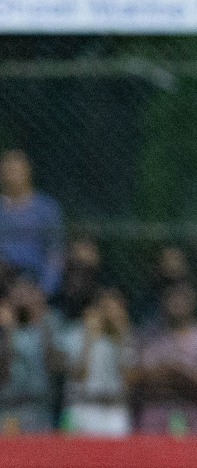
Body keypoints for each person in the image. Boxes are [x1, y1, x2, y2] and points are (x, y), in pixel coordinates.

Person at [130, 280, 197, 435]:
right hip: (152, 416)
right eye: (171, 296)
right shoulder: (144, 335)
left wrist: (180, 373)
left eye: (182, 297)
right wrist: (161, 372)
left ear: (193, 300)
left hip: (193, 415)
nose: (176, 301)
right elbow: (130, 379)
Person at [59, 288, 133, 436]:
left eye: (115, 310)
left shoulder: (124, 337)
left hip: (115, 409)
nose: (110, 315)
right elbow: (78, 375)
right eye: (106, 308)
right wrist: (89, 339)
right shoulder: (77, 333)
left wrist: (120, 340)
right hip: (84, 406)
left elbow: (128, 380)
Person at [0, 273, 61, 433]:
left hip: (40, 409)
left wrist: (41, 320)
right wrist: (8, 331)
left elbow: (54, 365)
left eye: (27, 294)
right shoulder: (5, 328)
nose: (22, 300)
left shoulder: (48, 323)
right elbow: (3, 371)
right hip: (9, 408)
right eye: (18, 294)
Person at [0, 149, 65, 295]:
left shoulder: (47, 208)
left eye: (15, 169)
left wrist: (43, 290)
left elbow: (55, 253)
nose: (10, 174)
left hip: (34, 278)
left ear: (28, 170)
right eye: (6, 169)